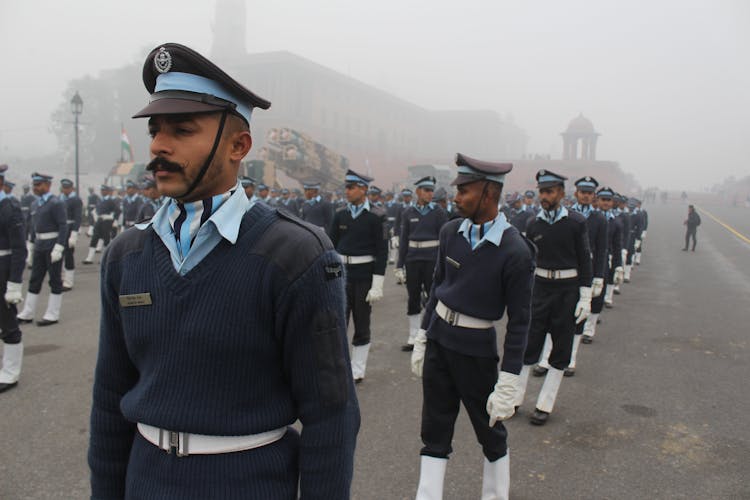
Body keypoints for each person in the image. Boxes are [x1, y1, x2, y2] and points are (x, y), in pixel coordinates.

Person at [88, 42, 359, 500]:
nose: (158, 146)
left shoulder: (294, 254)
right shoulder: (126, 254)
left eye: (182, 130)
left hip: (249, 483)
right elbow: (109, 400)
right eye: (155, 130)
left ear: (239, 145)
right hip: (145, 479)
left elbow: (331, 417)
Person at [410, 153, 534, 499]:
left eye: (465, 190)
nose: (456, 196)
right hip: (439, 341)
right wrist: (423, 334)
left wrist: (509, 378)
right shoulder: (451, 231)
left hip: (476, 351)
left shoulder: (515, 251)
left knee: (490, 432)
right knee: (433, 430)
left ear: (489, 193)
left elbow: (521, 322)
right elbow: (437, 287)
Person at [514, 169, 592, 425]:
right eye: (541, 192)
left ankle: (544, 404)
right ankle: (515, 399)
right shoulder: (533, 224)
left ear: (560, 192)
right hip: (540, 288)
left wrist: (585, 296)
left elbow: (585, 261)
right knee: (529, 345)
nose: (544, 196)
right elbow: (527, 260)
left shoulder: (576, 222)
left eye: (549, 191)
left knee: (560, 348)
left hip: (567, 291)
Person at [534, 176, 607, 376]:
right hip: (557, 275)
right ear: (576, 193)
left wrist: (597, 278)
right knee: (550, 324)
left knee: (574, 322)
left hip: (580, 273)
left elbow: (600, 251)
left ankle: (571, 359)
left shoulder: (598, 218)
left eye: (589, 193)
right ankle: (545, 359)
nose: (585, 196)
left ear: (593, 196)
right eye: (583, 192)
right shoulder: (569, 216)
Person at [329, 169, 387, 383]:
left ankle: (358, 368)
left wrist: (377, 284)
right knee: (338, 323)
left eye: (351, 187)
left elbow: (382, 251)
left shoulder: (376, 216)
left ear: (363, 189)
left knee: (362, 323)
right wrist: (330, 278)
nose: (347, 191)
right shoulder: (340, 214)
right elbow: (331, 248)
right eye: (346, 187)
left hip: (364, 277)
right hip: (341, 276)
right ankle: (340, 364)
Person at [396, 176, 447, 351]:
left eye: (431, 190)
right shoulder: (408, 213)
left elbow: (444, 240)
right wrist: (398, 265)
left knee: (433, 297)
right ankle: (413, 336)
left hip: (432, 259)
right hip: (413, 259)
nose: (430, 194)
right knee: (413, 297)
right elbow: (404, 240)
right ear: (418, 192)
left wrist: (444, 264)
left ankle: (431, 334)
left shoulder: (438, 212)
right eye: (426, 191)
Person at [16, 173, 68, 326]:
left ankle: (52, 314)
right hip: (39, 245)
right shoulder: (35, 204)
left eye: (38, 185)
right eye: (34, 185)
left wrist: (59, 246)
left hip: (52, 245)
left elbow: (63, 226)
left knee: (54, 280)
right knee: (34, 279)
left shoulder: (55, 203)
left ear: (48, 185)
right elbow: (33, 226)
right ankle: (27, 312)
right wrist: (31, 244)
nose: (35, 188)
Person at [583, 186, 623, 341]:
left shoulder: (616, 222)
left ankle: (589, 329)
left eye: (608, 200)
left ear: (613, 202)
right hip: (586, 260)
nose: (605, 203)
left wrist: (618, 265)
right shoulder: (589, 218)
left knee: (597, 297)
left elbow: (617, 245)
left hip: (603, 261)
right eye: (603, 200)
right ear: (597, 200)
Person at [0, 165, 27, 393]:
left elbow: (19, 248)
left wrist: (14, 283)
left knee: (8, 324)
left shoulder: (9, 207)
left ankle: (10, 373)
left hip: (4, 269)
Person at [82, 185, 120, 264]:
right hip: (99, 221)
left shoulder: (111, 201)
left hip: (107, 221)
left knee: (106, 239)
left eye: (104, 190)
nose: (102, 192)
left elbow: (117, 211)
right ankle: (89, 258)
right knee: (94, 238)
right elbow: (96, 210)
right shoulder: (99, 200)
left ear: (108, 191)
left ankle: (105, 258)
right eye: (102, 190)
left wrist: (114, 220)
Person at [59, 179, 83, 291]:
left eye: (67, 188)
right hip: (61, 229)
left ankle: (69, 282)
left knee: (68, 256)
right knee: (60, 255)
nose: (65, 190)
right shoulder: (61, 198)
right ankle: (62, 278)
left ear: (71, 188)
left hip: (70, 230)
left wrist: (74, 234)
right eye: (64, 187)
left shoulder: (76, 200)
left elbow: (78, 218)